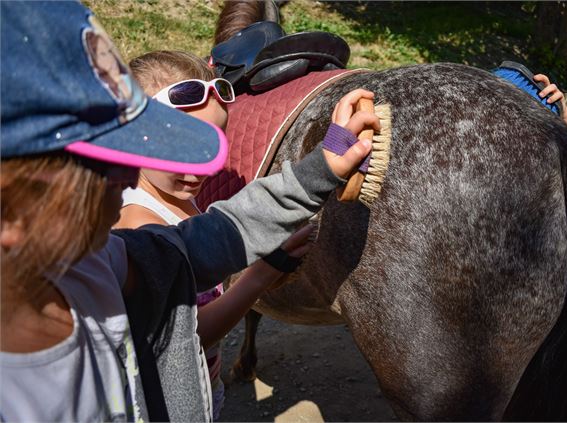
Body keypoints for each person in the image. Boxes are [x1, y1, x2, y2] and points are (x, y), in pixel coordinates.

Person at [0, 2, 379, 422]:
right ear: (11, 206)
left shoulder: (99, 262)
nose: (129, 176)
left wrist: (320, 169)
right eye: (106, 162)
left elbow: (202, 240)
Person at [116, 50, 315, 420]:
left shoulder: (176, 196)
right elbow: (188, 337)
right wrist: (260, 276)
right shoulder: (140, 225)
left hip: (204, 385)